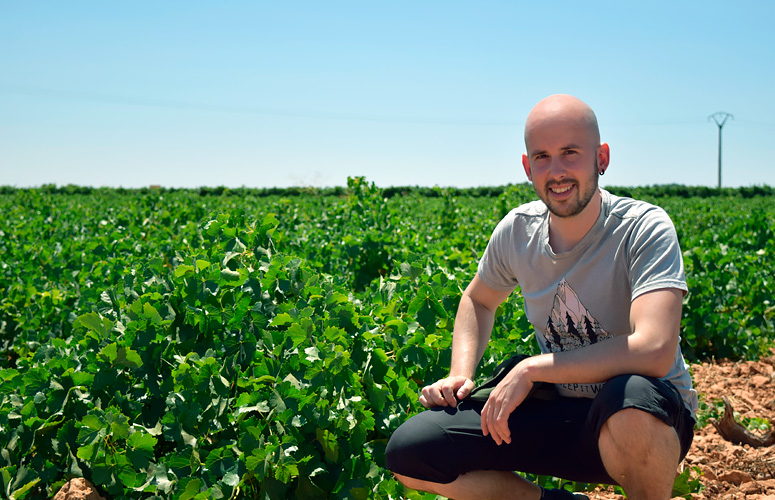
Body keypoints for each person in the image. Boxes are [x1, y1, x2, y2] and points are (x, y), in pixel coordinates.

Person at [384, 94, 698, 500]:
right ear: (527, 167)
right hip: (563, 414)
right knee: (413, 452)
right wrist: (460, 373)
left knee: (632, 398)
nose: (557, 171)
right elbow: (478, 301)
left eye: (570, 153)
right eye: (543, 157)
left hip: (647, 418)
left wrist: (532, 369)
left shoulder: (642, 228)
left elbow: (653, 349)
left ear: (601, 157)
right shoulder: (518, 230)